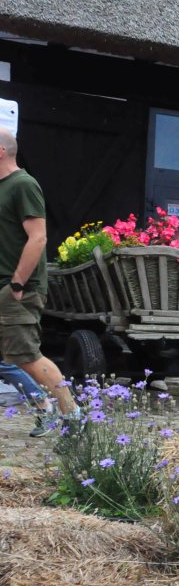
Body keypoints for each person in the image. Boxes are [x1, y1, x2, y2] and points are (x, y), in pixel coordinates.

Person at [0, 129, 78, 424]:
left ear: (1, 151)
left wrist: (17, 283)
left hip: (17, 289)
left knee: (27, 357)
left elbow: (38, 238)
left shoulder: (23, 184)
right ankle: (45, 409)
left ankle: (74, 419)